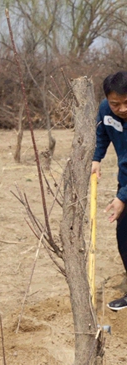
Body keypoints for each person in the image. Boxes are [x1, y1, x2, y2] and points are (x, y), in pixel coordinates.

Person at [92, 72, 127, 310]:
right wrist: (96, 158)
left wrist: (122, 198)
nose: (122, 109)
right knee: (124, 238)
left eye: (126, 102)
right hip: (125, 181)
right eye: (116, 103)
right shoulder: (106, 109)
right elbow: (102, 133)